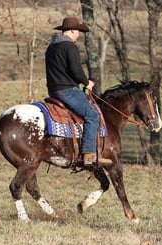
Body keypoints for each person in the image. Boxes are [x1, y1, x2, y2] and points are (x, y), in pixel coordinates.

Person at [45, 17, 112, 166]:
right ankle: (88, 154)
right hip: (67, 91)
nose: (78, 36)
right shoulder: (70, 47)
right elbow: (76, 71)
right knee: (92, 115)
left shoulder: (51, 47)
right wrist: (87, 83)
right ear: (72, 31)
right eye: (78, 32)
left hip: (53, 91)